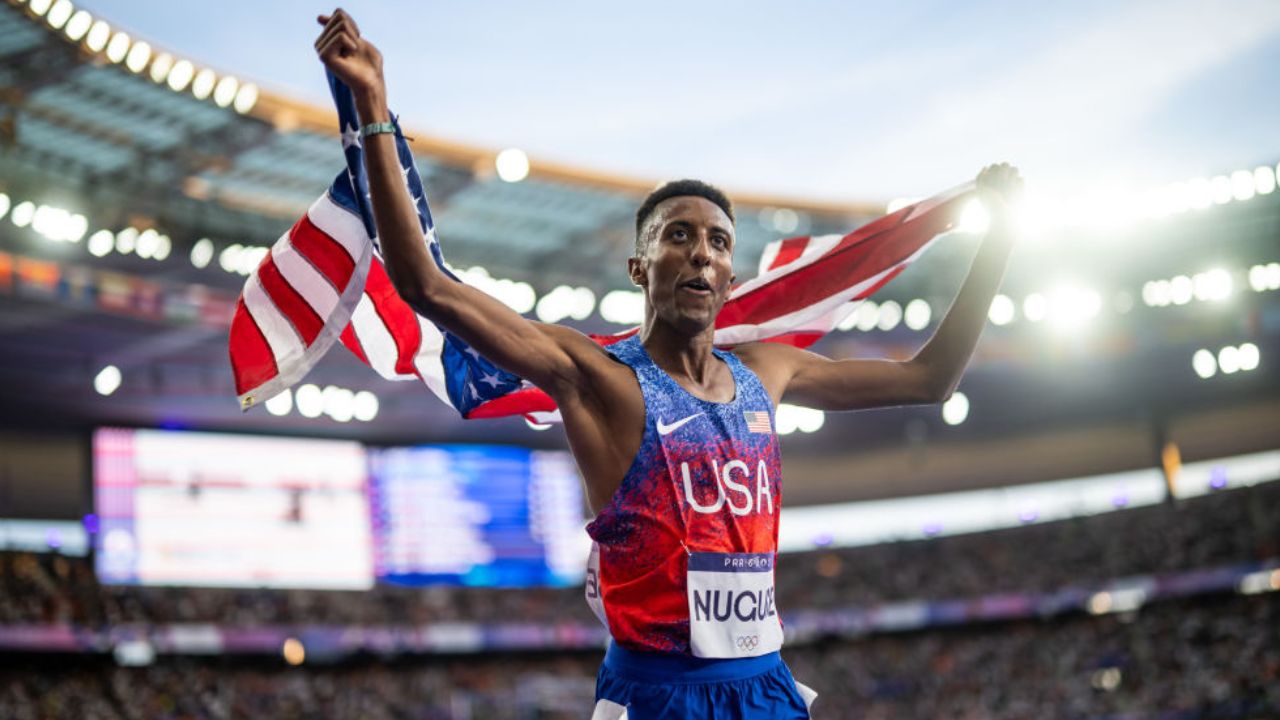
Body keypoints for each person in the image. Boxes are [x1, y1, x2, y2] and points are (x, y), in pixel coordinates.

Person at [315, 9, 1023, 718]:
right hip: (659, 695)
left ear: (730, 278)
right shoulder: (594, 376)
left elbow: (930, 380)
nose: (701, 252)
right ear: (639, 265)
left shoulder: (768, 372)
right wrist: (374, 106)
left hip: (765, 685)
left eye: (718, 242)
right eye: (678, 236)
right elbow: (426, 287)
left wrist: (998, 241)